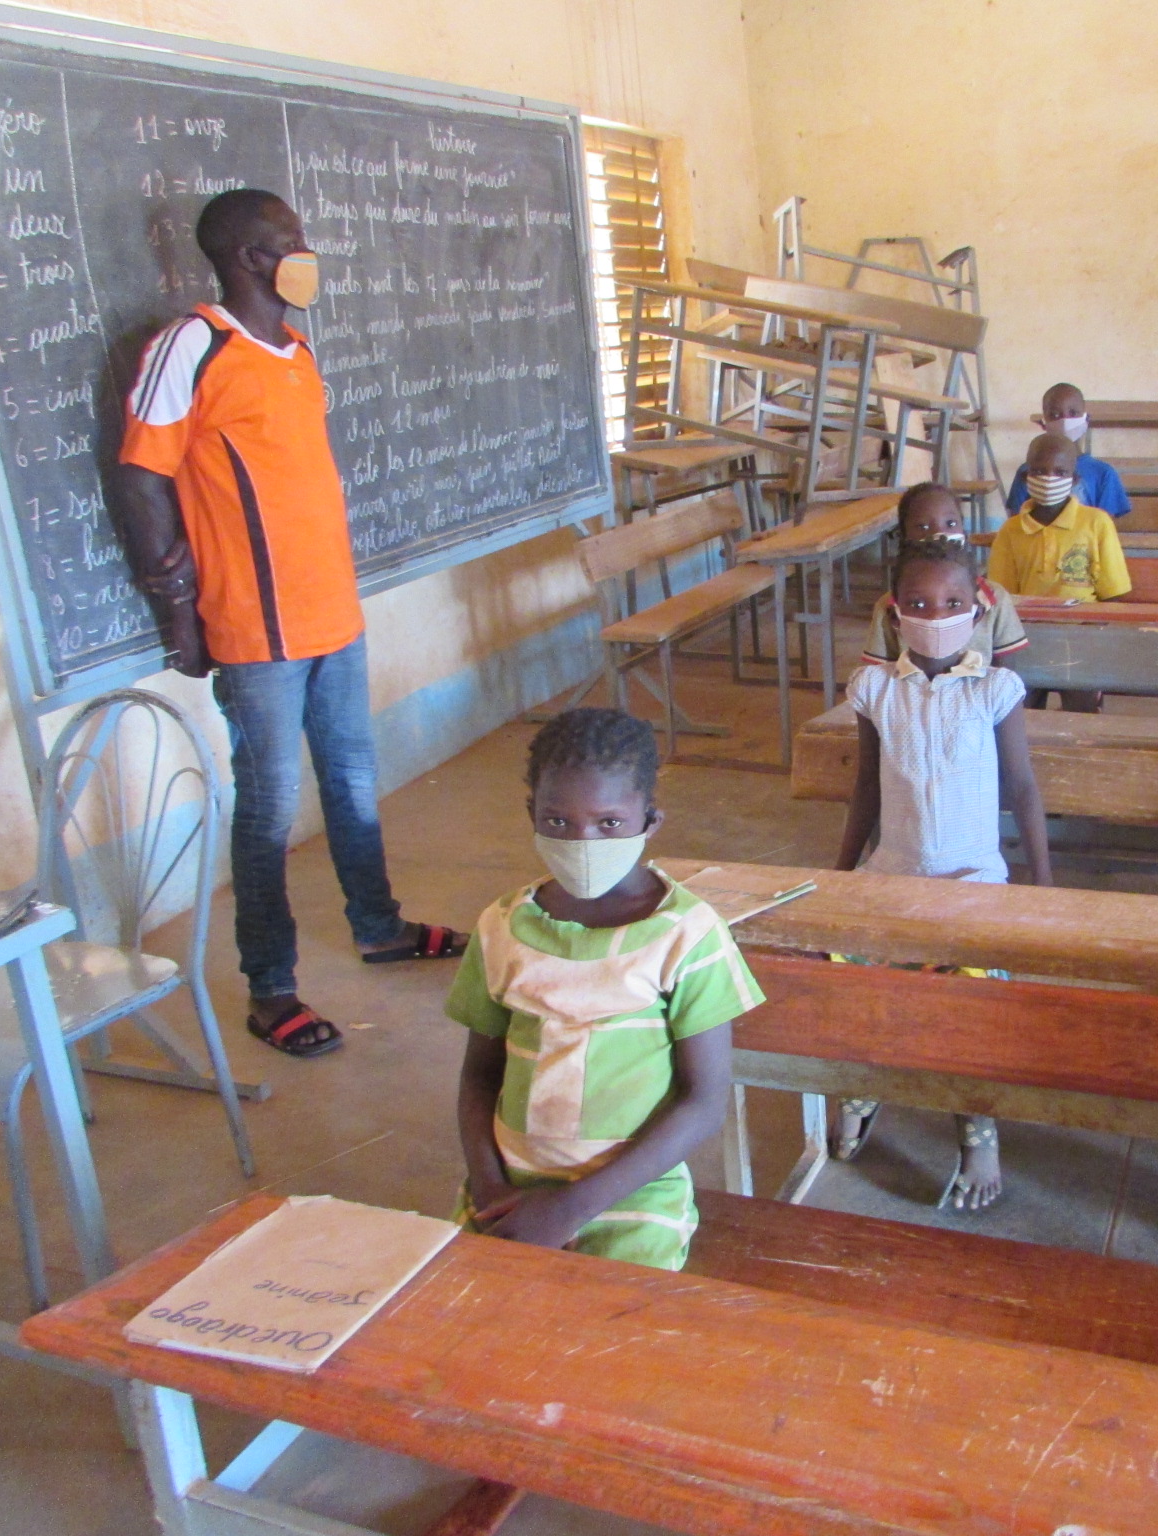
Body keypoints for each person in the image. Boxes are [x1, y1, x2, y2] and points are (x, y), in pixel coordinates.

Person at [116, 187, 460, 1060]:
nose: (306, 254)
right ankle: (270, 989)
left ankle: (377, 926)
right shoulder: (192, 346)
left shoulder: (296, 350)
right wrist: (176, 612)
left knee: (350, 781)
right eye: (290, 241)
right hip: (255, 628)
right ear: (247, 258)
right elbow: (139, 478)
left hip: (332, 615)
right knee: (268, 808)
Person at [447, 708, 760, 1271]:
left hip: (631, 1191)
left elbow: (704, 1100)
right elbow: (478, 1074)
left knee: (610, 1325)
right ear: (531, 816)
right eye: (558, 821)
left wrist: (570, 1208)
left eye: (609, 823)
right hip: (508, 1182)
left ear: (650, 820)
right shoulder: (501, 927)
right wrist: (488, 1185)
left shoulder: (686, 935)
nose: (583, 840)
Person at [834, 538, 1054, 1211]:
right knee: (858, 984)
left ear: (977, 610)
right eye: (921, 604)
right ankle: (861, 1087)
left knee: (969, 1004)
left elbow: (1022, 786)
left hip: (973, 880)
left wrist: (1044, 883)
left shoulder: (995, 689)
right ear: (896, 615)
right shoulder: (876, 689)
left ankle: (975, 1129)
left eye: (953, 603)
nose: (937, 614)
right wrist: (842, 874)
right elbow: (867, 790)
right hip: (892, 874)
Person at [986, 432, 1131, 712]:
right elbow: (1001, 597)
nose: (1049, 478)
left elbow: (1114, 593)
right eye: (1039, 471)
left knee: (1082, 711)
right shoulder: (1011, 530)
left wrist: (1100, 645)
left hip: (1081, 635)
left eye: (1060, 471)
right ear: (1026, 477)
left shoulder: (1096, 523)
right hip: (1026, 637)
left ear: (1075, 480)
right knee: (1021, 708)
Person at [862, 482, 1028, 668]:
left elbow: (1007, 670)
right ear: (904, 536)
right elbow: (877, 673)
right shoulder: (889, 606)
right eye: (923, 527)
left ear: (963, 531)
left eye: (950, 523)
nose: (939, 534)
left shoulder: (995, 598)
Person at [1003, 383, 1131, 518]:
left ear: (1086, 419)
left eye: (1073, 413)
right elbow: (1016, 522)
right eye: (1054, 414)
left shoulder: (1104, 473)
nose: (1064, 420)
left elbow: (1105, 528)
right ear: (1043, 423)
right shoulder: (1028, 471)